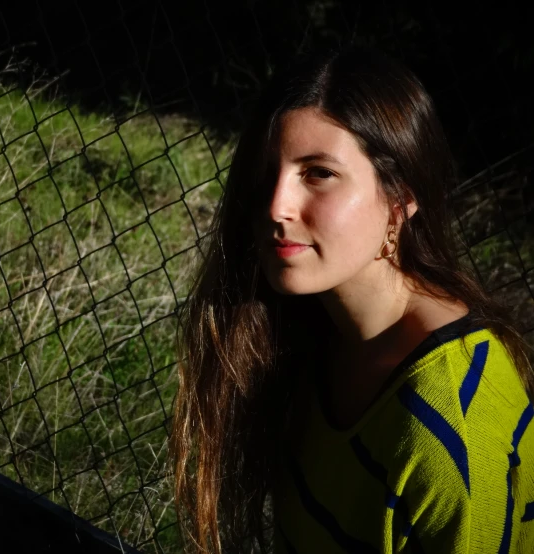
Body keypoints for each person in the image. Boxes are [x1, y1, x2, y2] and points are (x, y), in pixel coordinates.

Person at [169, 45, 534, 554]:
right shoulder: (310, 334)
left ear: (401, 199)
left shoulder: (453, 424)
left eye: (319, 173)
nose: (277, 205)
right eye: (268, 170)